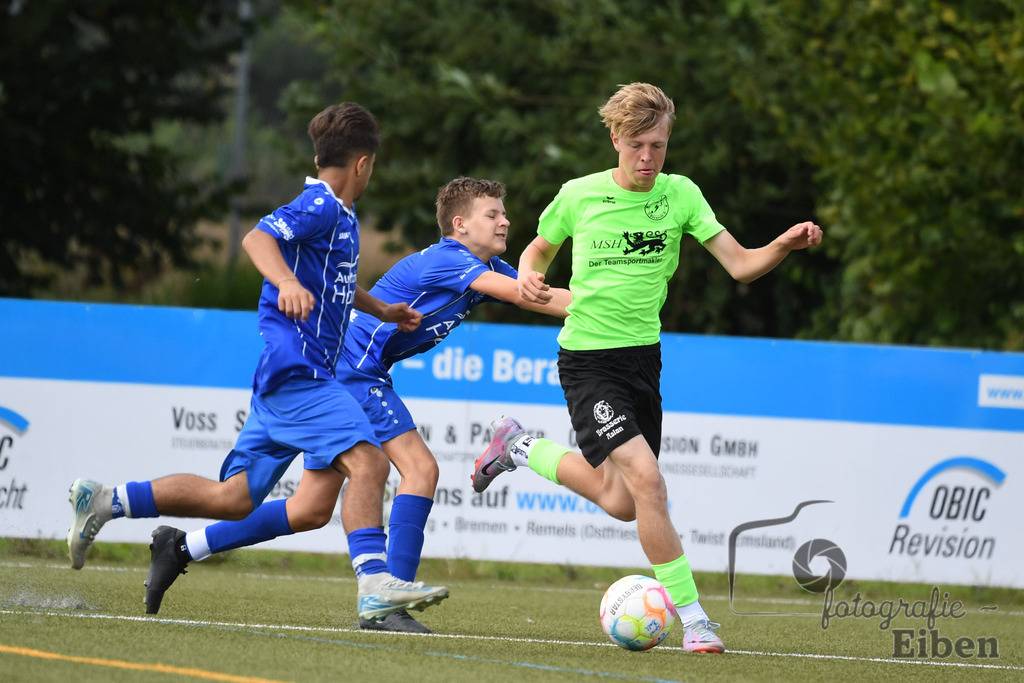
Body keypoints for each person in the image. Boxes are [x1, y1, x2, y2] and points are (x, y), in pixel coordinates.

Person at [471, 82, 823, 654]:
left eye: (658, 145)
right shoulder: (579, 195)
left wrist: (782, 244)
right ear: (615, 137)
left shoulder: (681, 195)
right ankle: (696, 620)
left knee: (622, 500)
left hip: (643, 360)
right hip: (587, 361)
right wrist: (528, 275)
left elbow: (740, 266)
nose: (646, 158)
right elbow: (536, 250)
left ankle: (518, 447)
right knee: (650, 481)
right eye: (637, 144)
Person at [66, 102, 449, 622]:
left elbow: (331, 285)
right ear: (363, 164)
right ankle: (375, 583)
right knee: (371, 462)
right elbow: (256, 238)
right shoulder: (322, 206)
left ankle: (109, 500)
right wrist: (286, 282)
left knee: (233, 499)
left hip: (283, 382)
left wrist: (379, 307)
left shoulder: (340, 216)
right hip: (302, 374)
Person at [338, 176, 571, 632]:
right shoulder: (450, 260)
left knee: (306, 506)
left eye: (504, 213)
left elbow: (546, 299)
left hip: (356, 370)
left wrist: (617, 308)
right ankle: (389, 605)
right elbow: (525, 292)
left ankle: (186, 545)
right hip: (351, 369)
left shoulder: (486, 266)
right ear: (460, 224)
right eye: (493, 214)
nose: (505, 220)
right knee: (421, 470)